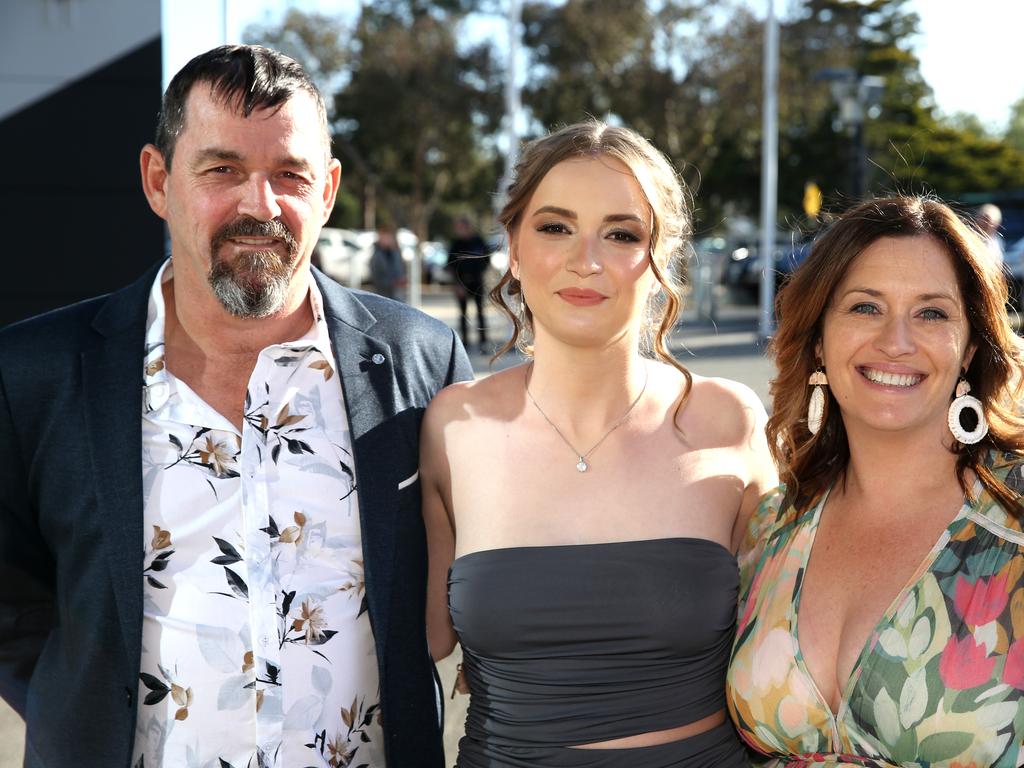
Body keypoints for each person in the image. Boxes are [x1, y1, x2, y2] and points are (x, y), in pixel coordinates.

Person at [0, 45, 471, 768]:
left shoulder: (419, 360)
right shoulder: (35, 372)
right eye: (222, 170)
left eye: (290, 175)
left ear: (328, 190)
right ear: (159, 181)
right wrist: (78, 699)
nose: (261, 205)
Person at [421, 120, 777, 767]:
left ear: (659, 256)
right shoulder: (453, 424)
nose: (586, 259)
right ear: (515, 246)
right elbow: (417, 636)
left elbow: (790, 655)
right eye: (555, 227)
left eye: (621, 234)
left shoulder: (728, 419)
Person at [728, 196, 1024, 767]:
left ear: (968, 349)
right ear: (817, 339)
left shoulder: (1014, 514)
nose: (896, 341)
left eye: (932, 313)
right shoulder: (773, 525)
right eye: (865, 307)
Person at [446, 216, 491, 353]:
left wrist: (480, 275)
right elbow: (450, 265)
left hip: (477, 282)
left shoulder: (479, 241)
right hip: (461, 284)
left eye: (461, 228)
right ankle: (464, 343)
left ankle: (483, 342)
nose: (459, 231)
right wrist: (457, 284)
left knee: (480, 313)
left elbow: (487, 260)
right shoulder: (456, 244)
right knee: (463, 314)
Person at [370, 223, 405, 299]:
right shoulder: (378, 254)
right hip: (383, 293)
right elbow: (376, 275)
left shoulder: (395, 252)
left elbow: (401, 269)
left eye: (389, 237)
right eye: (385, 237)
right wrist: (392, 282)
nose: (387, 239)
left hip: (397, 293)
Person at [977, 202, 1005, 268]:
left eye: (987, 219)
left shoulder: (997, 241)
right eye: (983, 218)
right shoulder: (971, 238)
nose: (985, 223)